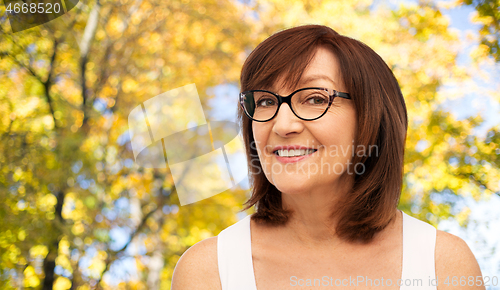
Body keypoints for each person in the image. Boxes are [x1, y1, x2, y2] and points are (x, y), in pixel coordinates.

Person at [171, 24, 485, 290]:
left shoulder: (444, 266)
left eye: (314, 98)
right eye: (265, 101)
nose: (282, 125)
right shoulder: (208, 271)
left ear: (371, 117)